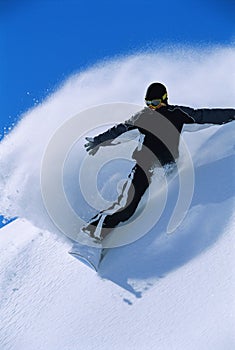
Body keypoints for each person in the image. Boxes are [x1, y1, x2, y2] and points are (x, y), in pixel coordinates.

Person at [83, 82, 235, 242]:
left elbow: (206, 116)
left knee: (156, 206)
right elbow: (120, 130)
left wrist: (233, 114)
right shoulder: (142, 116)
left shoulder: (177, 113)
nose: (151, 108)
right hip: (143, 167)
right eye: (148, 104)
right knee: (126, 205)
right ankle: (91, 232)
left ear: (165, 99)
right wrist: (99, 140)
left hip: (168, 169)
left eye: (155, 103)